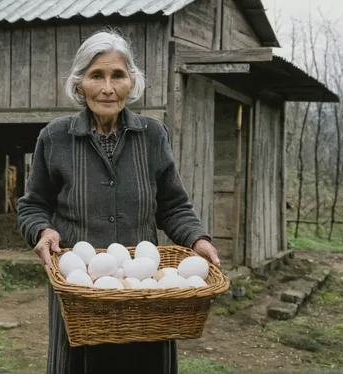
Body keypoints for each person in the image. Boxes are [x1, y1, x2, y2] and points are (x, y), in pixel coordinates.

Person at [18, 28, 220, 374]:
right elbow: (33, 204)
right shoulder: (54, 138)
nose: (108, 88)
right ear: (80, 83)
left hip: (145, 295)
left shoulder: (152, 136)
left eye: (118, 75)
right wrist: (41, 232)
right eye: (97, 75)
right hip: (80, 292)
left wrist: (196, 239)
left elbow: (173, 206)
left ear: (132, 82)